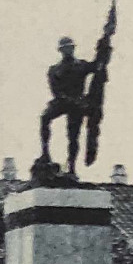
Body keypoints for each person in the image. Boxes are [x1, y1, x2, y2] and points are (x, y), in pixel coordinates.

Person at [40, 36, 98, 176]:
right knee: (44, 118)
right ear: (60, 50)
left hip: (77, 104)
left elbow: (98, 65)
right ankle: (45, 153)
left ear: (73, 48)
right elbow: (55, 89)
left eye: (70, 47)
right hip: (62, 101)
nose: (68, 50)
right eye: (65, 48)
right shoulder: (54, 69)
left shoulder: (82, 65)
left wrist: (105, 45)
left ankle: (72, 166)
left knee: (73, 136)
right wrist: (66, 99)